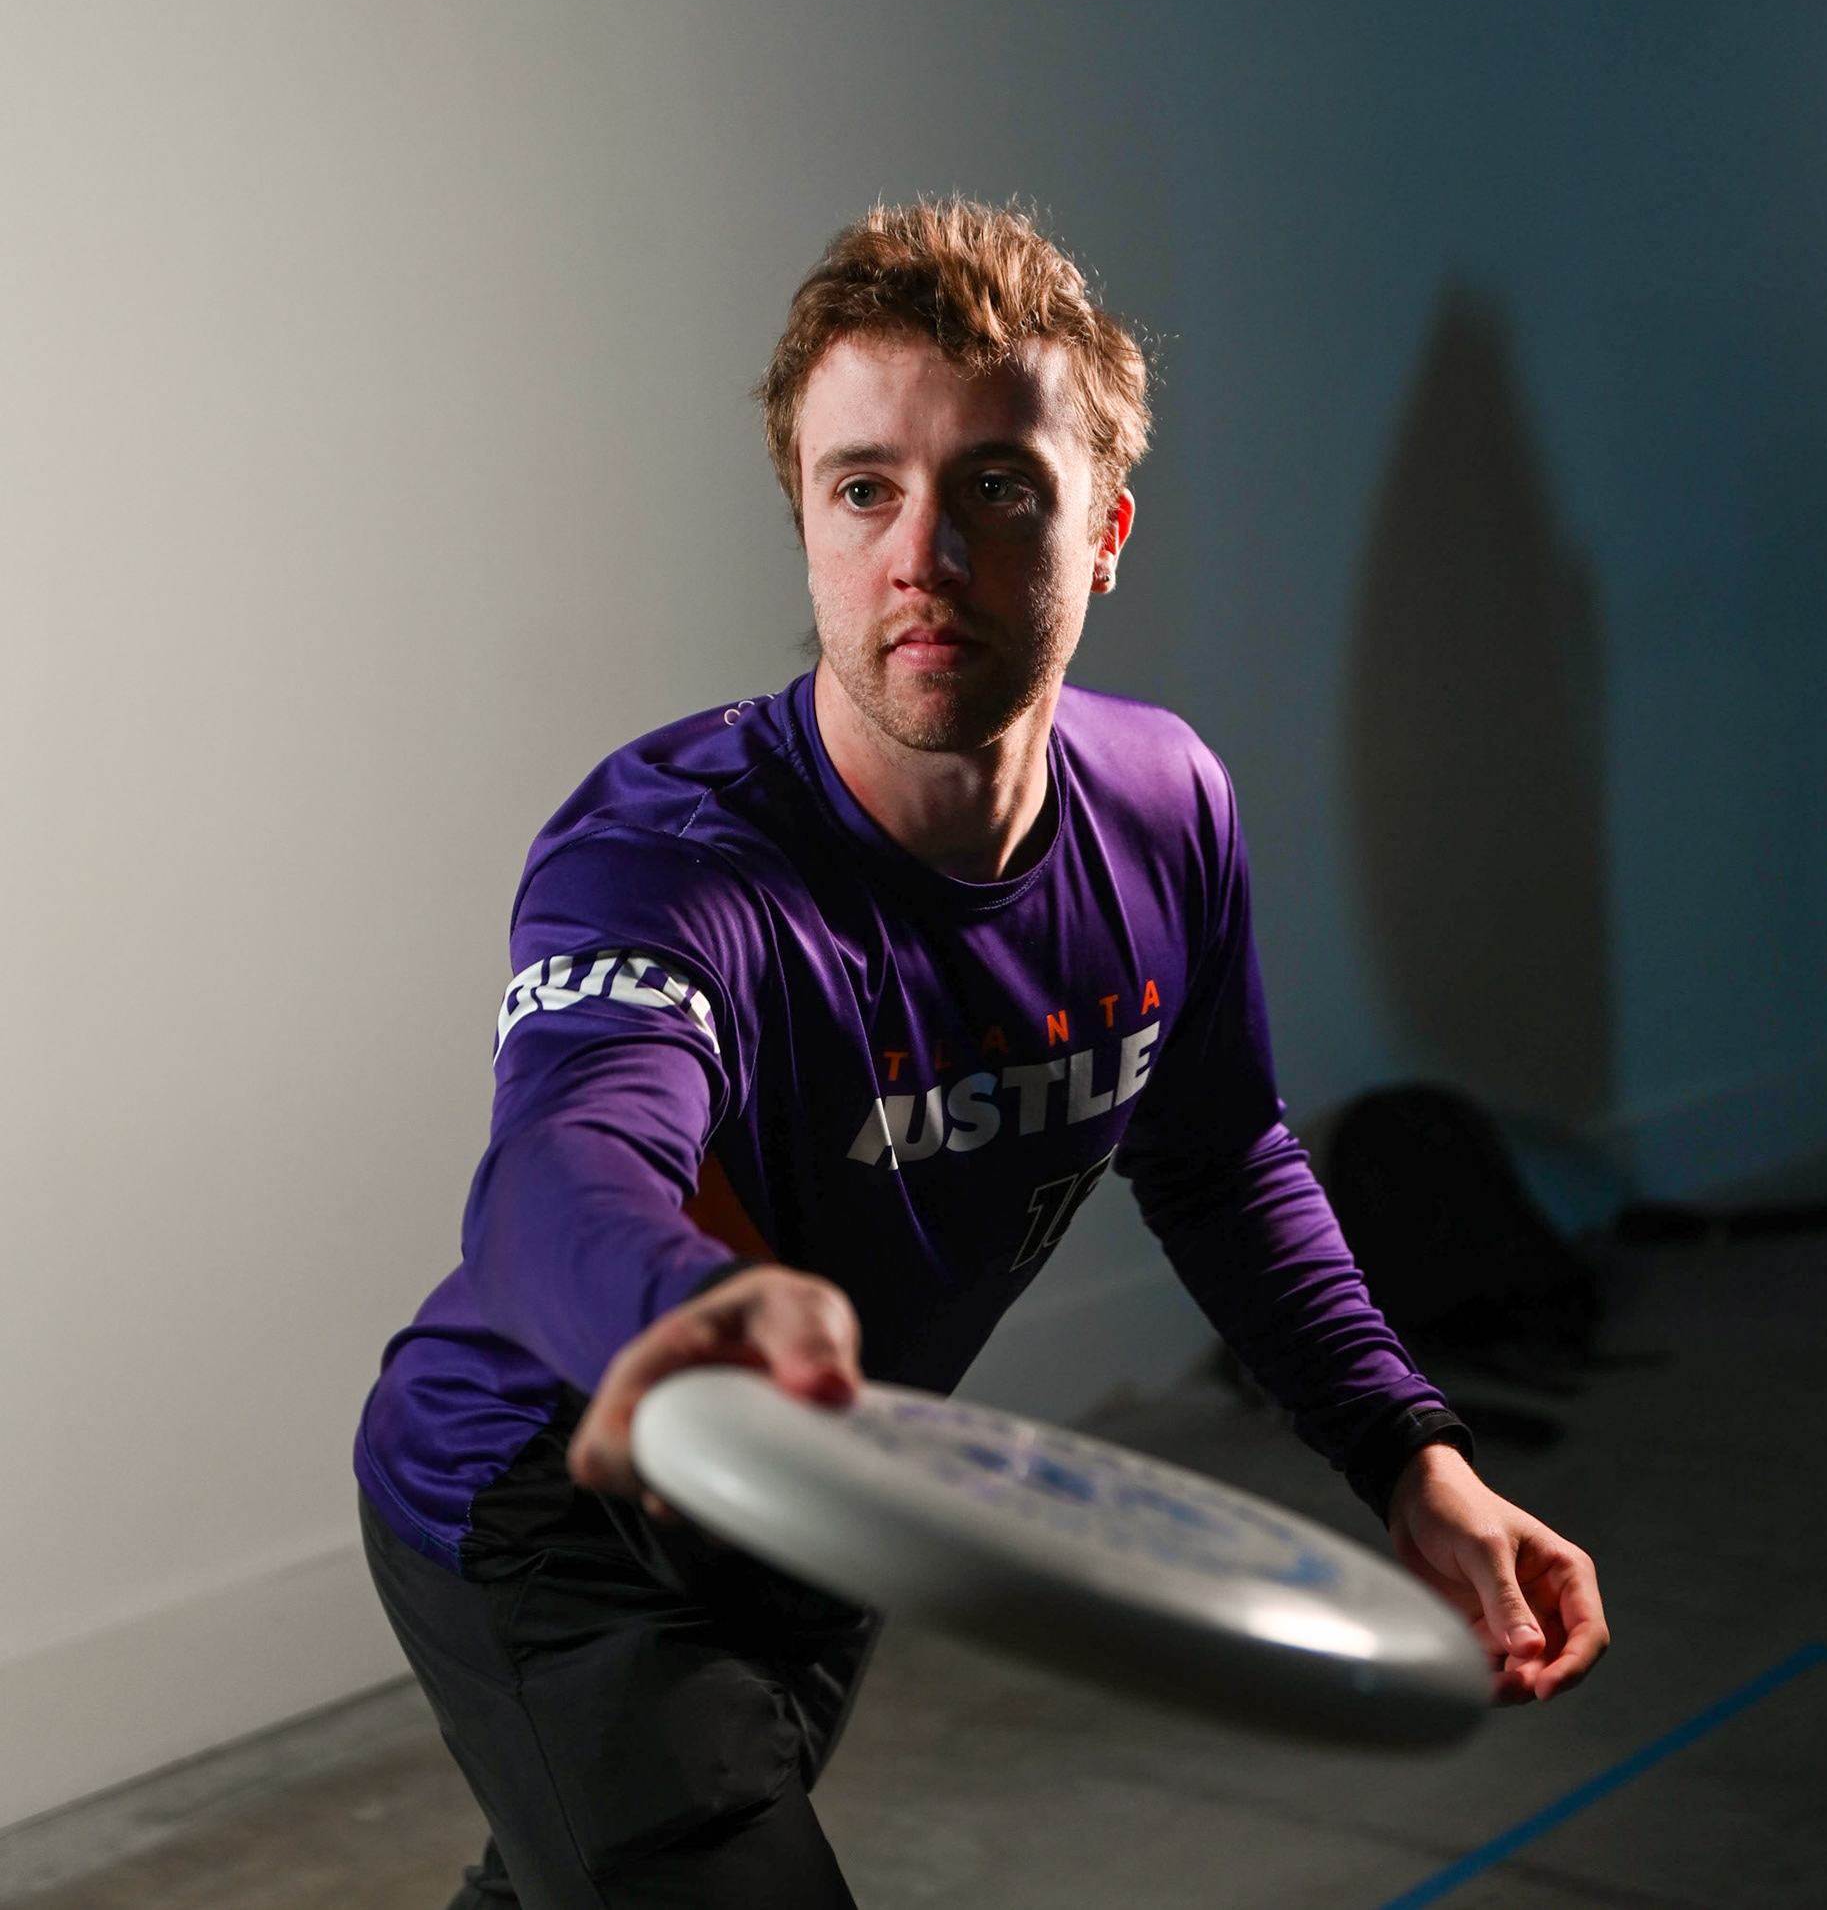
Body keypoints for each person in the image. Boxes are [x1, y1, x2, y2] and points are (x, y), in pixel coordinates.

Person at [355, 198, 1607, 1910]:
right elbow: (561, 1166)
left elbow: (1222, 1159)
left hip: (832, 1484)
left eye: (998, 487)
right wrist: (686, 1309)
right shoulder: (664, 858)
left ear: (1106, 531)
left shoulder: (1167, 807)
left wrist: (1412, 1454)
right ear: (806, 522)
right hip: (552, 1492)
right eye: (863, 488)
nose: (924, 554)